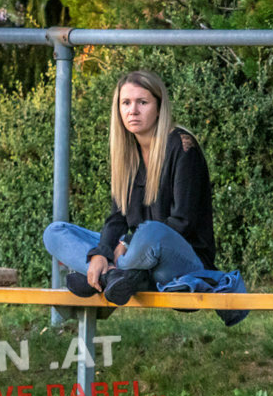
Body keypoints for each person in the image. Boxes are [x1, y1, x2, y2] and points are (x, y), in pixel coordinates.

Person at [43, 70, 216, 305]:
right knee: (55, 232)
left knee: (151, 232)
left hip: (181, 261)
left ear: (159, 107)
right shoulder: (127, 153)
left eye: (142, 102)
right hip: (136, 253)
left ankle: (105, 276)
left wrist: (126, 243)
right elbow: (117, 218)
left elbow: (182, 222)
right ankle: (115, 275)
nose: (132, 110)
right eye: (126, 103)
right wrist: (101, 253)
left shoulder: (183, 147)